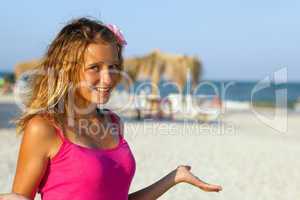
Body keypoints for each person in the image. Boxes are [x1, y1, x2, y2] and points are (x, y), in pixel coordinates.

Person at [0, 17, 222, 200]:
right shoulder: (44, 128)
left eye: (114, 67)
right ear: (67, 70)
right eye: (94, 68)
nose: (108, 78)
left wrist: (174, 177)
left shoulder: (114, 123)